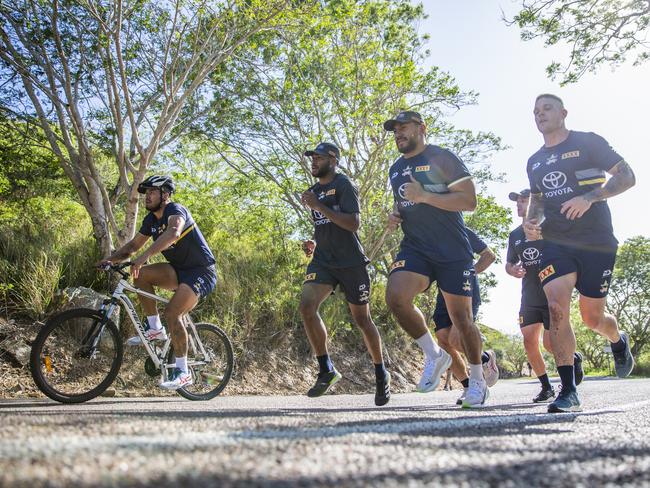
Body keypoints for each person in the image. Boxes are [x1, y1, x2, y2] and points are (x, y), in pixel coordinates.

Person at [525, 94, 636, 413]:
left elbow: (627, 176)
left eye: (546, 108)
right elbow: (538, 199)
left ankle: (617, 339)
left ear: (563, 112)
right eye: (535, 111)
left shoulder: (589, 143)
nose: (540, 114)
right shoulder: (534, 161)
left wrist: (590, 197)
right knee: (556, 306)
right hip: (556, 243)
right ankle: (569, 390)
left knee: (592, 318)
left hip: (596, 240)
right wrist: (532, 221)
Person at [383, 110, 489, 408]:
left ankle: (478, 382)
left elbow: (469, 201)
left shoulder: (442, 158)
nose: (398, 133)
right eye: (395, 130)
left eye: (404, 127)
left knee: (462, 321)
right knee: (396, 297)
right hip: (416, 247)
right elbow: (404, 203)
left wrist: (426, 196)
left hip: (452, 250)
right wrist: (396, 216)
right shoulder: (394, 169)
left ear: (421, 128)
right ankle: (434, 354)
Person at [98, 175, 217, 390]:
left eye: (152, 192)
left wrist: (145, 256)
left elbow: (173, 232)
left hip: (201, 271)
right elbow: (132, 247)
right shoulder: (151, 221)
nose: (147, 196)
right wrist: (109, 260)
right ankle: (154, 328)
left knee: (173, 312)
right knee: (140, 275)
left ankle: (183, 372)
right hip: (178, 270)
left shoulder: (175, 211)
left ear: (165, 195)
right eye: (146, 193)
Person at [299, 142, 390, 406]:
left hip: (351, 263)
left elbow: (353, 223)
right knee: (306, 306)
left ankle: (380, 371)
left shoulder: (343, 184)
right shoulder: (313, 191)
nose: (313, 162)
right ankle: (326, 368)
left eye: (318, 157)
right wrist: (314, 243)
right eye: (311, 158)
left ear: (333, 159)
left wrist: (319, 206)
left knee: (362, 319)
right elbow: (326, 225)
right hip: (324, 262)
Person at [506, 188, 584, 403]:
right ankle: (546, 387)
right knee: (529, 340)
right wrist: (511, 269)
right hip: (529, 296)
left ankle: (572, 358)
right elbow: (509, 262)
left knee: (551, 345)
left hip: (552, 294)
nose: (519, 205)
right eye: (518, 202)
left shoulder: (550, 226)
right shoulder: (514, 235)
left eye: (524, 201)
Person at [432, 228, 499, 406]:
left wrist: (469, 273)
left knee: (455, 338)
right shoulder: (426, 233)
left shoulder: (459, 228)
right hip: (443, 293)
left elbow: (489, 256)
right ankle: (469, 386)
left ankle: (484, 358)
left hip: (465, 290)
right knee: (443, 340)